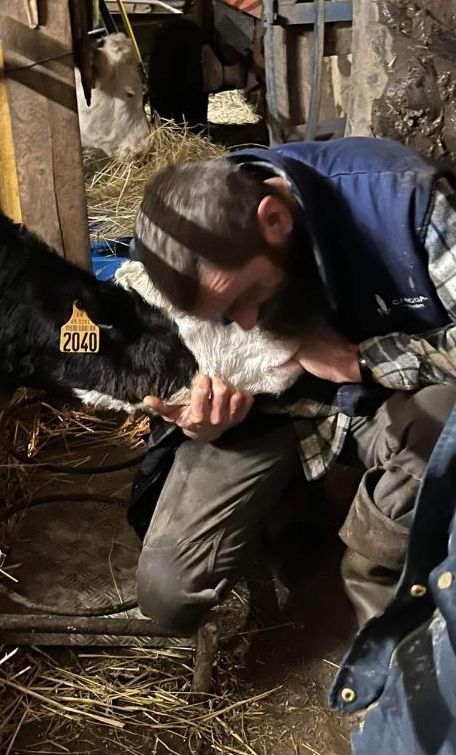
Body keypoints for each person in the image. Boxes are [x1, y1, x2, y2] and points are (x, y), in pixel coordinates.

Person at [131, 137, 456, 630]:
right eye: (223, 317)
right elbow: (192, 371)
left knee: (450, 423)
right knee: (167, 592)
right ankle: (295, 521)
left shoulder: (403, 198)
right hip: (272, 418)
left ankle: (373, 579)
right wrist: (202, 426)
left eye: (247, 295)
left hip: (389, 406)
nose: (243, 323)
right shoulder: (172, 254)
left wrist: (360, 361)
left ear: (275, 221)